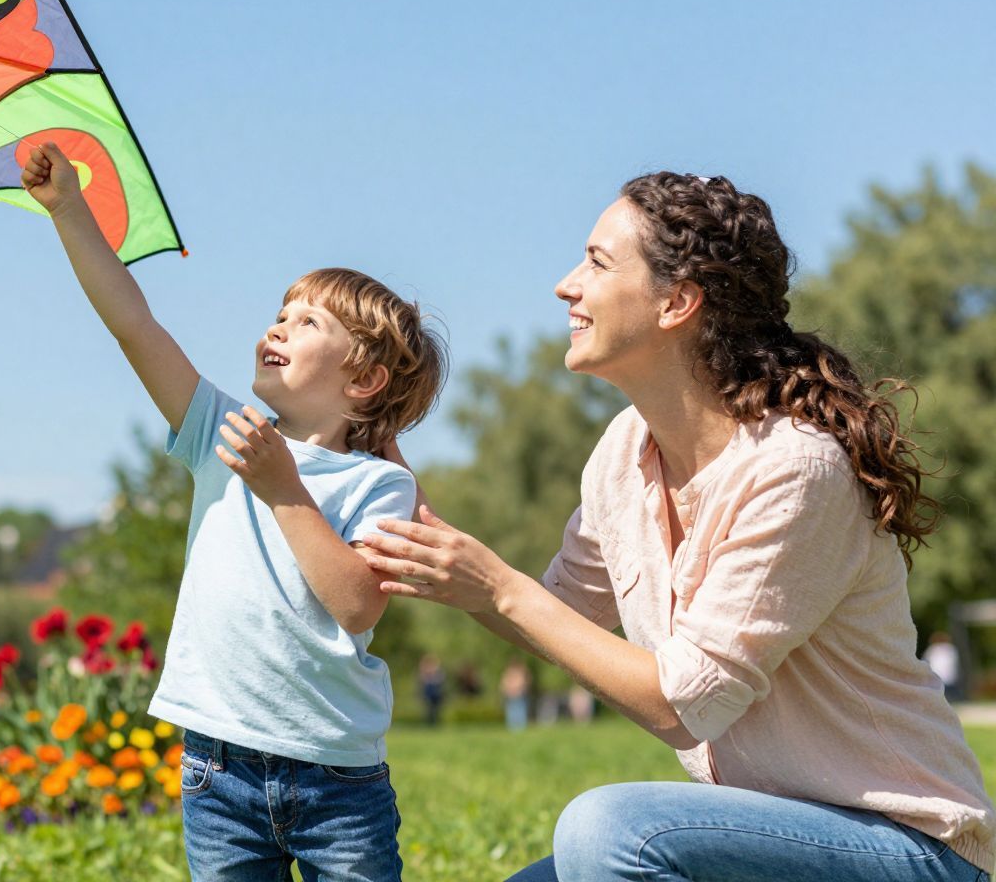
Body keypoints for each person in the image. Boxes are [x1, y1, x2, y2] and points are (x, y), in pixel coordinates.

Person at [358, 173, 995, 881]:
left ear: (677, 302)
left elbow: (682, 706)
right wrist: (423, 527)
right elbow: (559, 615)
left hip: (909, 850)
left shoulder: (795, 469)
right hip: (765, 838)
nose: (566, 286)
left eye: (597, 262)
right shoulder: (622, 452)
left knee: (608, 831)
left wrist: (500, 588)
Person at [22, 142, 448, 881]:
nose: (277, 327)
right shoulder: (222, 433)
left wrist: (283, 486)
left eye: (308, 322)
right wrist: (69, 211)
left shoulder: (379, 484)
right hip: (216, 770)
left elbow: (356, 604)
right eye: (280, 314)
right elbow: (135, 326)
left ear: (363, 380)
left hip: (336, 781)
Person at [926, 631, 965, 703]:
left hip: (937, 677)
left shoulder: (933, 649)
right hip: (947, 677)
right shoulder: (951, 649)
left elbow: (926, 661)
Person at [418, 654, 447, 726]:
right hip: (429, 693)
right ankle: (431, 722)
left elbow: (441, 680)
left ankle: (434, 721)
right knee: (430, 709)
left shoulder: (437, 672)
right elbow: (422, 680)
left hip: (436, 693)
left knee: (436, 709)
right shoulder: (425, 673)